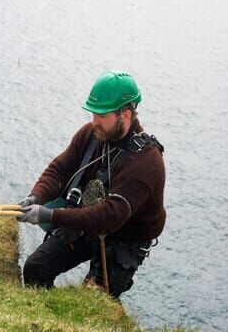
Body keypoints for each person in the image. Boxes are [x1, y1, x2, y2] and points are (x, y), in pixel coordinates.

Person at [17, 71, 165, 299]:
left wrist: (50, 215)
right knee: (36, 267)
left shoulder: (146, 162)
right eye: (93, 113)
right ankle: (47, 323)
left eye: (102, 115)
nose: (94, 121)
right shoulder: (93, 134)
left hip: (123, 239)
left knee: (95, 298)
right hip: (87, 222)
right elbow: (61, 168)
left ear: (125, 114)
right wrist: (36, 196)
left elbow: (109, 216)